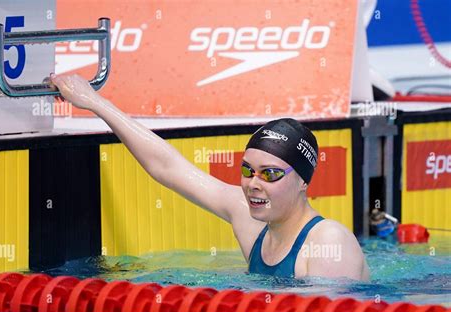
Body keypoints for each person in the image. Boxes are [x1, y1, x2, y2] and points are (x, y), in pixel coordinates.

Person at [50, 74, 370, 281]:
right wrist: (93, 102)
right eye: (248, 170)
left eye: (270, 174)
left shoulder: (328, 243)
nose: (253, 184)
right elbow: (167, 167)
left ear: (303, 182)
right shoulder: (248, 218)